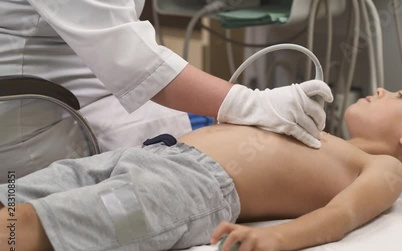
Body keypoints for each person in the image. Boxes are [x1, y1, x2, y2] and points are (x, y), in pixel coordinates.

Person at [0, 88, 402, 251]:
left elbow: (341, 215)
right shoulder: (319, 134)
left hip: (192, 189)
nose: (382, 89)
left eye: (401, 94)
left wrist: (274, 240)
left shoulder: (384, 169)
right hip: (152, 156)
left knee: (34, 224)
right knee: (21, 193)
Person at [0, 1, 333, 174]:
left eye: (390, 94)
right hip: (39, 123)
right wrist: (251, 105)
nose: (381, 94)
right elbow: (134, 60)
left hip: (82, 98)